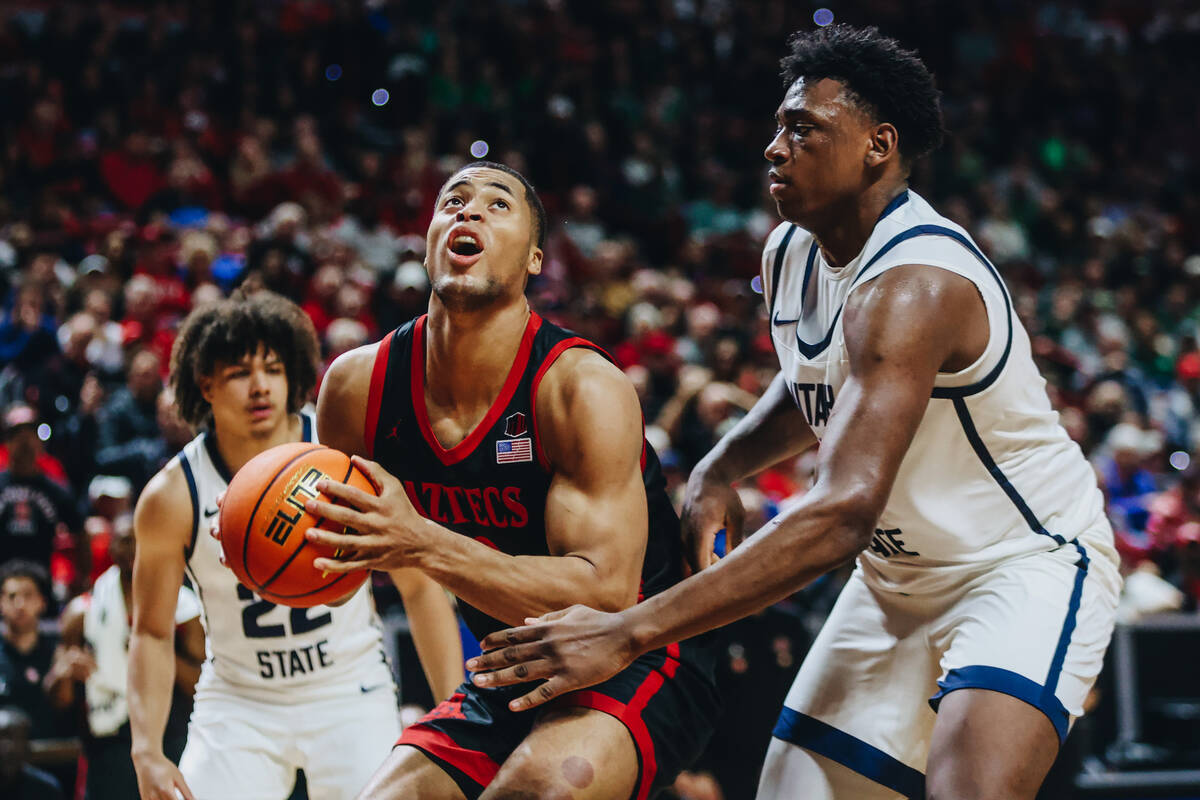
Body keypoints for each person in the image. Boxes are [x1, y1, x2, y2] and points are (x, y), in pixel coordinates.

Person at [466, 26, 1123, 800]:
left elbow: (842, 513)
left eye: (803, 129)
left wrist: (627, 632)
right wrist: (722, 466)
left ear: (878, 147)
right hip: (896, 581)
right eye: (779, 126)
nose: (775, 148)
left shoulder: (915, 285)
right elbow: (812, 381)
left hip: (1020, 564)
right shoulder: (792, 250)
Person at [304, 161, 720, 800]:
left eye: (497, 205)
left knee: (531, 791)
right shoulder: (358, 387)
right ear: (427, 240)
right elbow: (332, 585)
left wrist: (420, 543)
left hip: (641, 654)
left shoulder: (582, 387)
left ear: (533, 260)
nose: (468, 212)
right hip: (512, 663)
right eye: (453, 201)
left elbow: (603, 593)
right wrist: (276, 539)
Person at [129, 291, 464, 800]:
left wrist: (453, 712)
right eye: (240, 372)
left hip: (349, 688)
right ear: (206, 385)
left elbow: (420, 589)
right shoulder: (173, 496)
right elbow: (152, 631)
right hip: (239, 701)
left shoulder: (343, 455)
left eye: (273, 368)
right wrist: (146, 750)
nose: (260, 386)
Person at [55, 513, 206, 800]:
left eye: (141, 539)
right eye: (126, 540)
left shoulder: (185, 610)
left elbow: (200, 684)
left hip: (170, 735)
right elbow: (59, 698)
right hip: (107, 742)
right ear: (111, 548)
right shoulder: (82, 612)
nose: (134, 547)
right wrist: (66, 672)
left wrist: (154, 651)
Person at [0, 560, 79, 741]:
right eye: (12, 596)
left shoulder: (60, 653)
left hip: (52, 755)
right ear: (1, 603)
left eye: (28, 595)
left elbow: (64, 706)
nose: (19, 604)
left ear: (42, 602)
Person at [0, 706, 64, 800]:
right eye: (2, 736)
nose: (9, 748)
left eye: (18, 738)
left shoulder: (45, 789)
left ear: (27, 748)